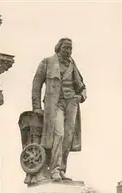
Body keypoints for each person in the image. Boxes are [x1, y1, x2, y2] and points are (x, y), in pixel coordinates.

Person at [32, 38, 87, 181]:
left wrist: (80, 96)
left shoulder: (72, 65)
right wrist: (37, 107)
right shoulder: (47, 62)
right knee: (59, 134)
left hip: (72, 103)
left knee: (68, 138)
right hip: (54, 104)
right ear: (58, 48)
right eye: (65, 48)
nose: (68, 51)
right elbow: (36, 84)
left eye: (70, 48)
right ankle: (54, 169)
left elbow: (82, 86)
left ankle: (62, 169)